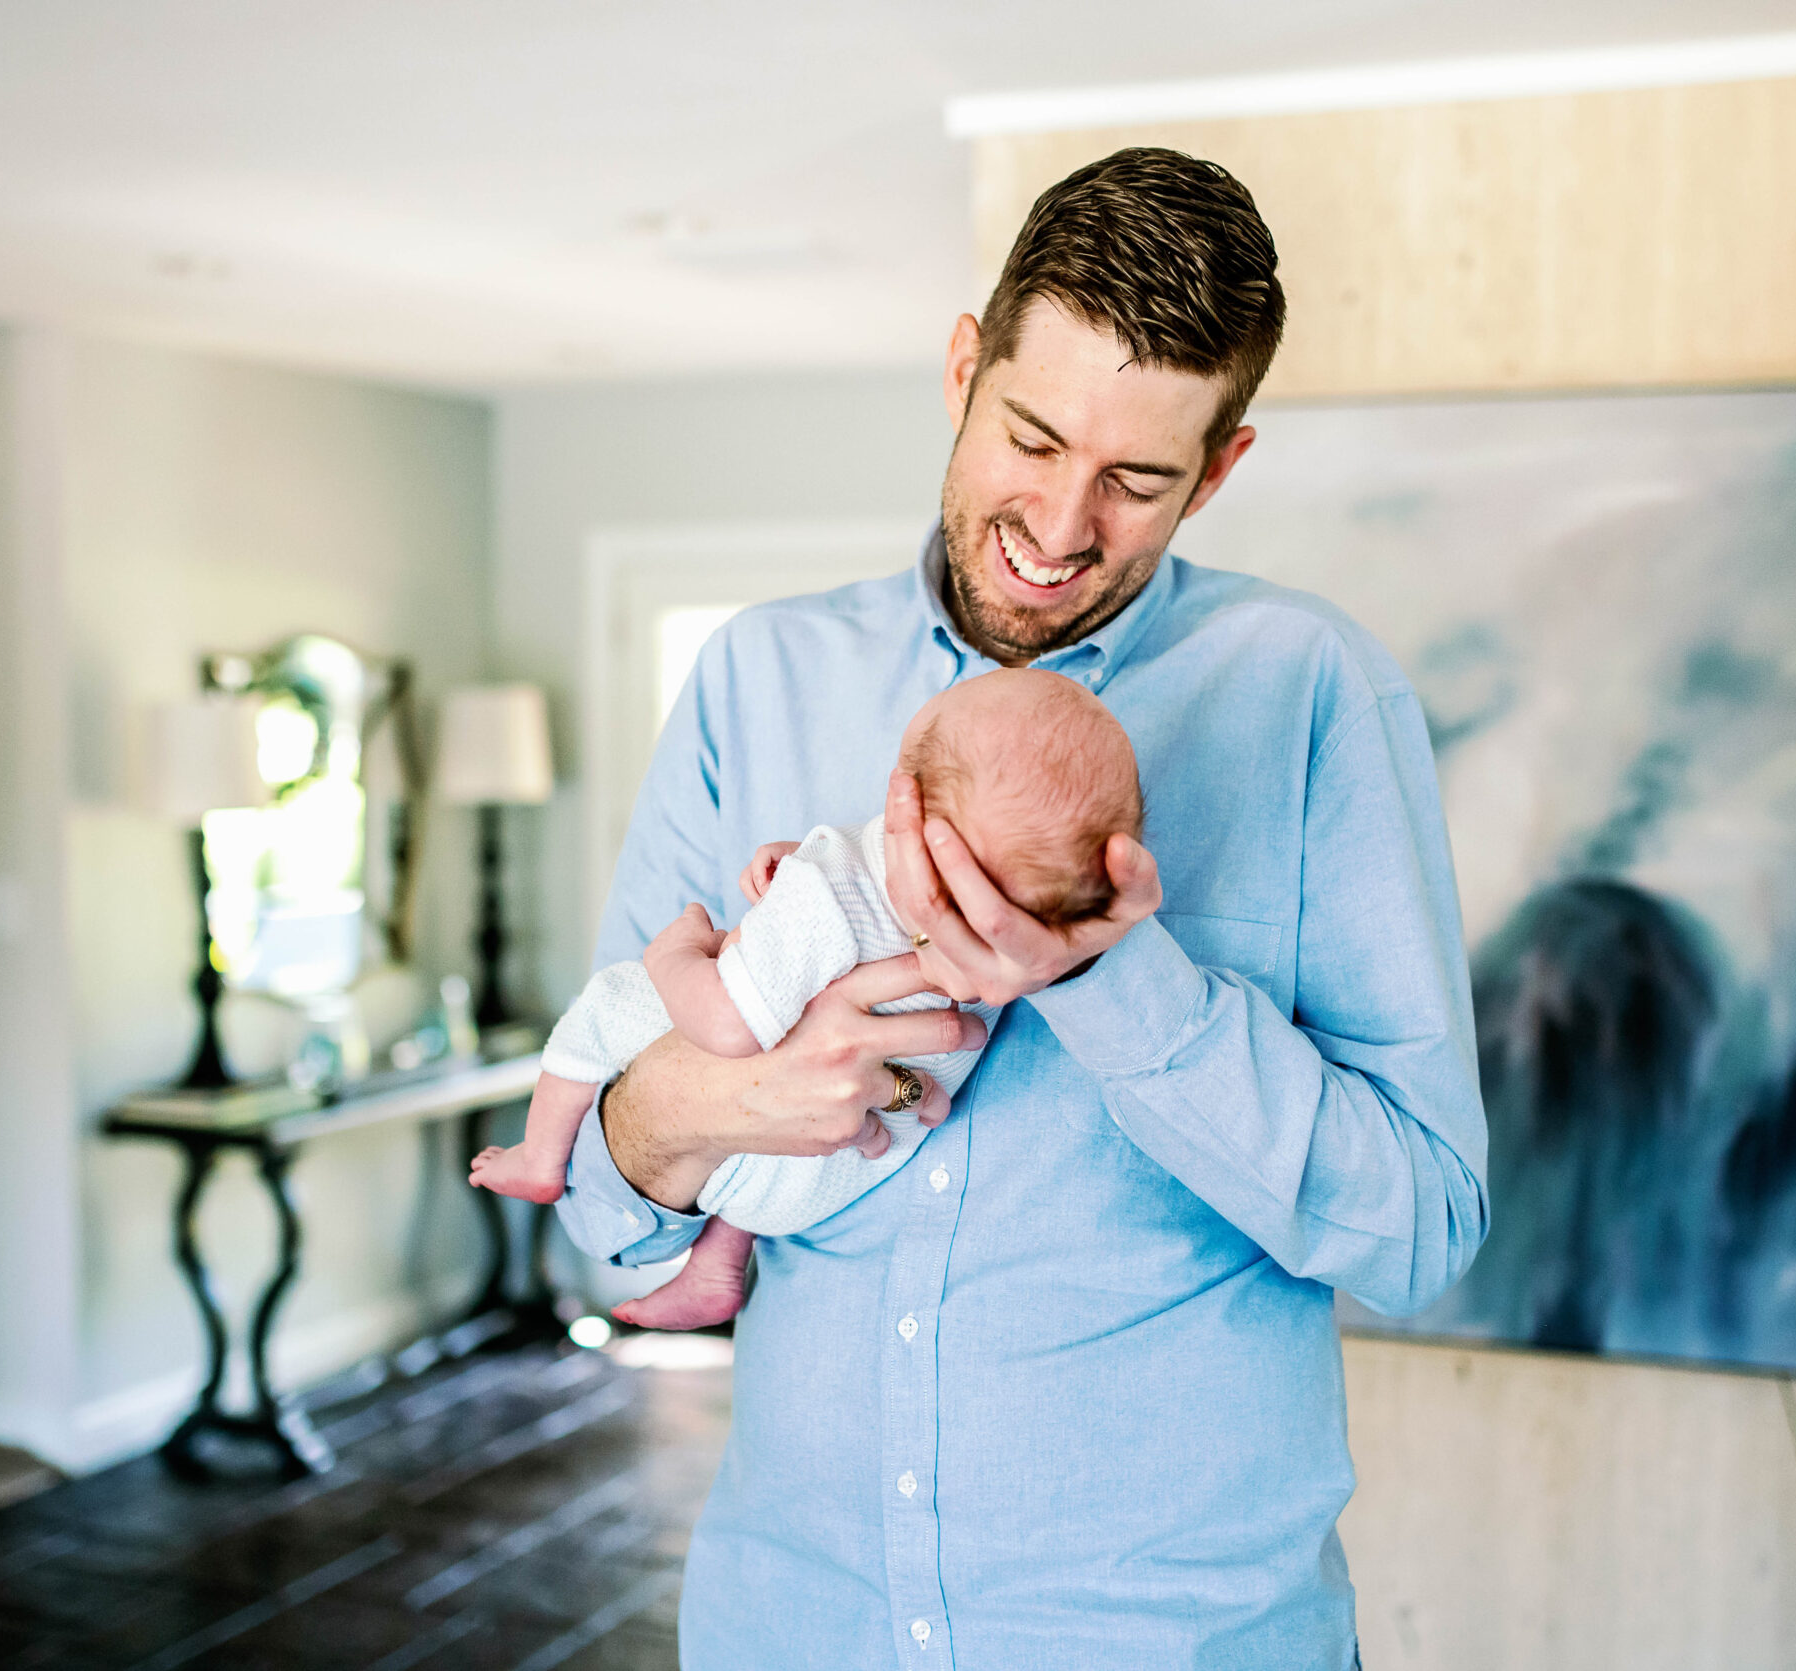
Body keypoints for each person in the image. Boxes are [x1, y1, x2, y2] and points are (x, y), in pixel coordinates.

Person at [557, 146, 1487, 1668]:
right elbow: (606, 1187)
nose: (1060, 526)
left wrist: (1120, 986)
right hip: (792, 1623)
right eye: (1032, 437)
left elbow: (1423, 1225)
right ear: (961, 370)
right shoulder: (759, 678)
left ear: (1224, 468)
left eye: (1135, 481)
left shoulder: (1313, 695)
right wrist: (710, 1105)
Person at [468, 669, 1141, 1331]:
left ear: (912, 805)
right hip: (845, 1167)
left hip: (775, 1161)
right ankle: (716, 1266)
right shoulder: (1015, 941)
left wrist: (674, 955)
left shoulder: (828, 893)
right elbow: (875, 901)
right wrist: (799, 865)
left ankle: (540, 1155)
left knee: (609, 1005)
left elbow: (726, 1027)